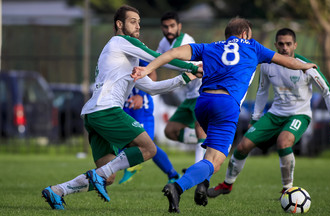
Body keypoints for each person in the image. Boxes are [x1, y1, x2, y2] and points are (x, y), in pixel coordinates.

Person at [131, 18, 317, 213]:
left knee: (210, 154)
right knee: (215, 161)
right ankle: (178, 187)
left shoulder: (209, 47)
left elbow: (173, 53)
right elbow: (286, 61)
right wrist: (307, 66)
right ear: (245, 34)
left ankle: (198, 182)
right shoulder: (253, 46)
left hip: (202, 103)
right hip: (226, 105)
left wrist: (147, 69)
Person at [41, 5, 201, 210]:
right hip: (106, 110)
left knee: (108, 177)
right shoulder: (121, 41)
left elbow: (151, 88)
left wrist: (185, 77)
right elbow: (156, 57)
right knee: (149, 148)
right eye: (133, 21)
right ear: (119, 24)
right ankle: (97, 175)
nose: (138, 26)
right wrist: (193, 66)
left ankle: (57, 191)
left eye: (139, 22)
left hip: (94, 114)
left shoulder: (125, 56)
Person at [207, 28, 330, 198]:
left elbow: (327, 91)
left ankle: (288, 189)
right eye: (281, 44)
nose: (284, 48)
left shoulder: (305, 66)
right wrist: (255, 118)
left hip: (299, 115)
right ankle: (227, 185)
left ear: (295, 45)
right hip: (274, 115)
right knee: (242, 146)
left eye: (288, 44)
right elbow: (262, 91)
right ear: (275, 45)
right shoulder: (267, 65)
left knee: (284, 142)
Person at [158, 12, 206, 164]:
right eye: (165, 27)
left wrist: (155, 61)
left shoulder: (185, 40)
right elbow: (155, 59)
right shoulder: (164, 43)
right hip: (190, 95)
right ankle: (209, 142)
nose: (169, 30)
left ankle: (199, 170)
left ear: (179, 26)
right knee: (171, 131)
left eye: (172, 26)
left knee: (200, 128)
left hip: (202, 91)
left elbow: (170, 59)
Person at [119, 67, 181, 184]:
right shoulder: (117, 54)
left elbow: (152, 74)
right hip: (124, 104)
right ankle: (128, 166)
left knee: (147, 144)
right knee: (119, 140)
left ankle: (173, 174)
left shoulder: (136, 51)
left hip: (141, 106)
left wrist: (141, 95)